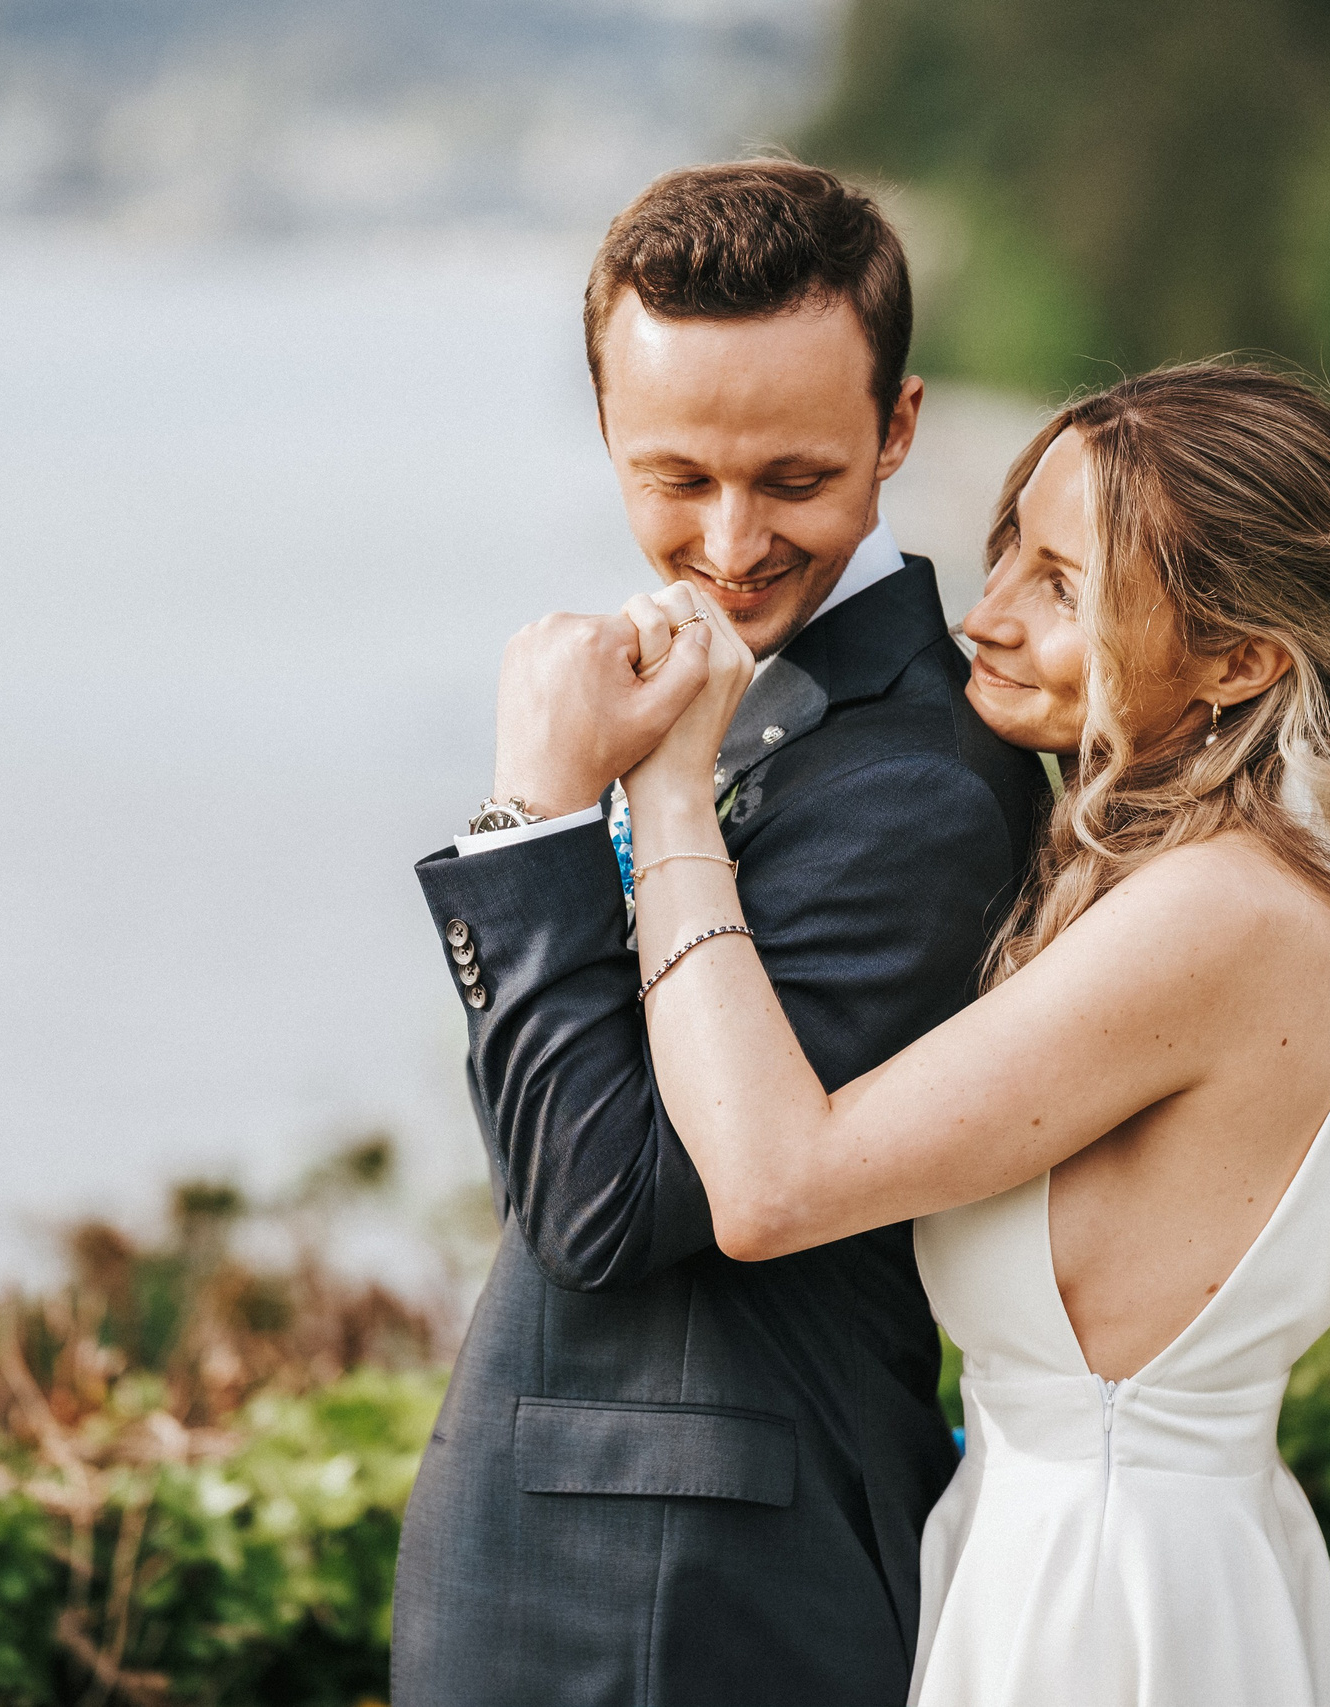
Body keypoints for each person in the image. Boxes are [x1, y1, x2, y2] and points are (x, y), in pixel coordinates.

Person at [520, 362, 1330, 1704]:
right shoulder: (1200, 886)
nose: (986, 615)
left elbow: (775, 1180)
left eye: (1064, 588)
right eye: (1009, 548)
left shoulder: (1221, 914)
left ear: (1241, 661)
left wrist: (669, 795)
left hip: (1107, 1606)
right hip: (1061, 1555)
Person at [396, 162, 1050, 1706]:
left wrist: (536, 813)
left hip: (691, 1604)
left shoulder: (919, 787)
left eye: (795, 479)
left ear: (899, 428)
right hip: (594, 1575)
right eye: (676, 477)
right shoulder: (715, 702)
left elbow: (606, 1202)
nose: (733, 540)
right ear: (607, 427)